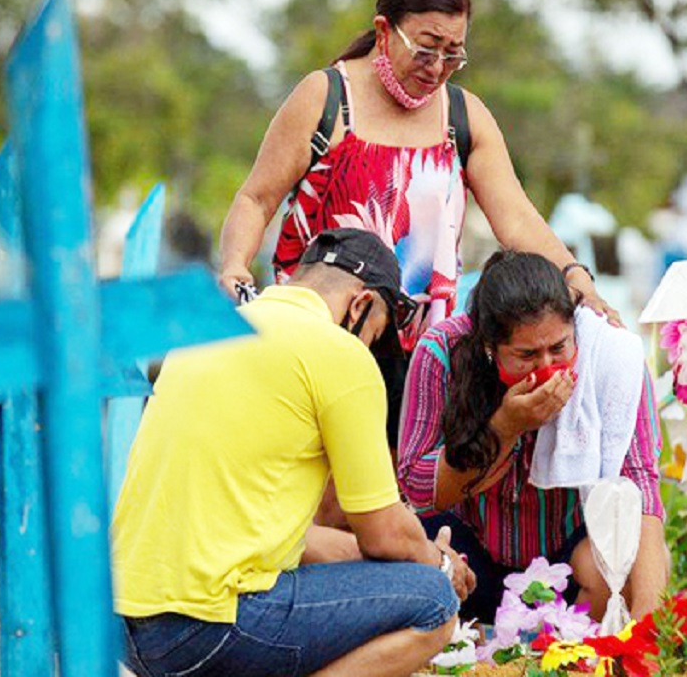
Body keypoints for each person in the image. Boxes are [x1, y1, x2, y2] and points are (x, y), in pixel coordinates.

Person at [216, 0, 619, 447]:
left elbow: (515, 218)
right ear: (384, 30)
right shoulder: (325, 98)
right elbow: (256, 199)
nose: (437, 69)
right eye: (426, 50)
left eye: (453, 55)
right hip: (319, 346)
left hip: (420, 367)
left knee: (398, 501)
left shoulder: (462, 117)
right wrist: (235, 265)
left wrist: (576, 278)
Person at [113, 228, 475, 677]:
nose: (367, 349)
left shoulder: (211, 332)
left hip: (125, 628)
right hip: (205, 631)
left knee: (398, 573)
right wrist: (439, 563)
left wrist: (413, 553)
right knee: (433, 603)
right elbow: (384, 534)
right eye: (373, 335)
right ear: (360, 304)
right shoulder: (338, 352)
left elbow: (310, 542)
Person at [397, 251, 669, 623]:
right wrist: (506, 427)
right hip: (467, 556)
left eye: (559, 348)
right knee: (411, 562)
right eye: (526, 355)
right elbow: (416, 487)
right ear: (490, 349)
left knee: (614, 561)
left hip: (566, 558)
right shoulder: (442, 351)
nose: (547, 368)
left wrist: (648, 623)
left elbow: (640, 485)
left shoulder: (610, 356)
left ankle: (575, 646)